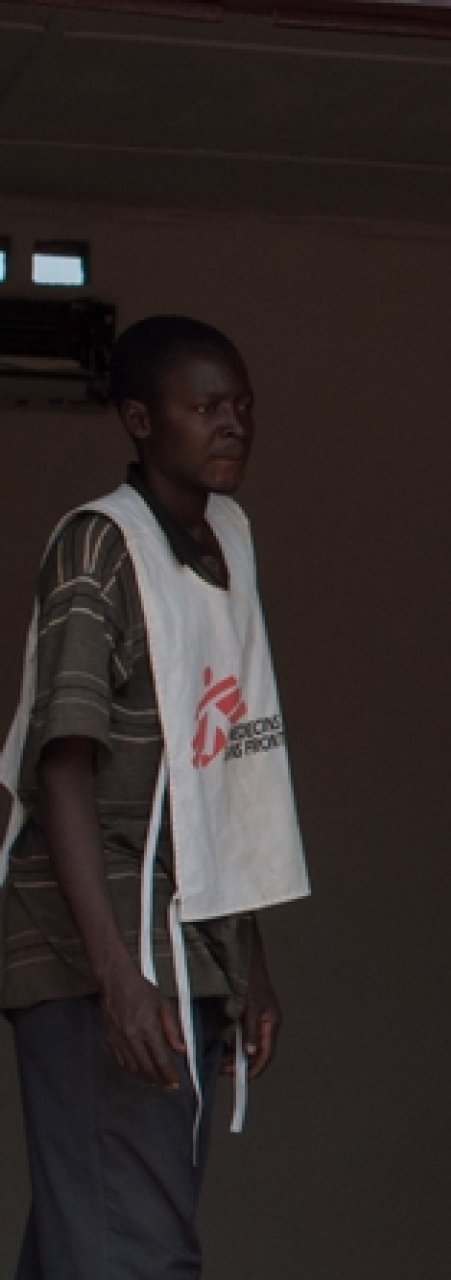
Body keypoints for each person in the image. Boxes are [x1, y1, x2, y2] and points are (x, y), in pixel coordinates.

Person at [0, 315, 308, 1279]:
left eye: (242, 406)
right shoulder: (101, 549)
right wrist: (118, 979)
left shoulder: (224, 549)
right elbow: (62, 764)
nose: (232, 425)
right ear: (140, 418)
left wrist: (243, 960)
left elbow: (226, 773)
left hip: (184, 943)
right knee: (131, 1249)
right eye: (204, 407)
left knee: (95, 1236)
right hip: (97, 952)